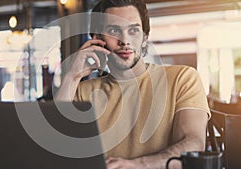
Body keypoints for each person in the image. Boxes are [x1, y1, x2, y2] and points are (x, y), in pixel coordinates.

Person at [55, 0, 210, 168]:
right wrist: (72, 75)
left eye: (133, 30)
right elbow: (55, 143)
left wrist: (137, 165)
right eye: (114, 30)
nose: (124, 41)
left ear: (144, 38)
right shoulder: (82, 91)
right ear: (97, 39)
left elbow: (193, 144)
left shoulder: (182, 78)